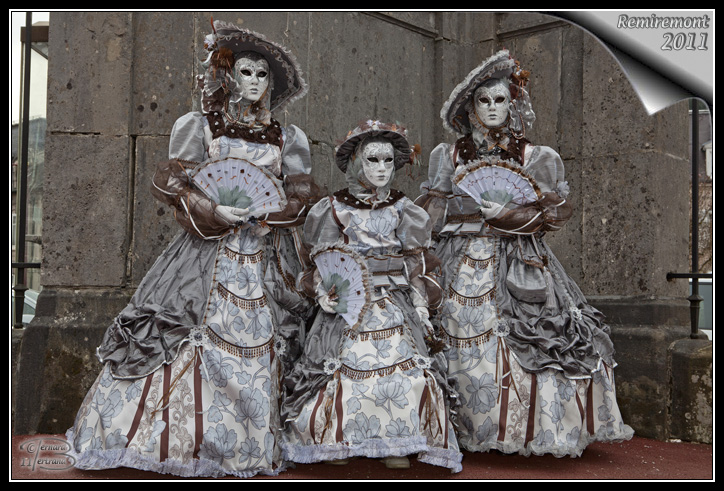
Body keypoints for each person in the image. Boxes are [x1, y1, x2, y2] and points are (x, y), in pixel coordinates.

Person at [65, 20, 322, 478]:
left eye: (263, 74)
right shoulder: (203, 126)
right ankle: (180, 442)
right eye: (245, 72)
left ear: (272, 83)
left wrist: (270, 212)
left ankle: (243, 444)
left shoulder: (288, 138)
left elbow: (301, 193)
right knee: (188, 332)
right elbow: (174, 181)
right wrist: (213, 208)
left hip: (263, 255)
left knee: (262, 341)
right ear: (229, 76)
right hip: (206, 253)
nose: (254, 82)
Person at [416, 50, 634, 457]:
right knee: (449, 326)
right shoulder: (448, 155)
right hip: (457, 254)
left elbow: (554, 211)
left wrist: (510, 214)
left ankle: (518, 428)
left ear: (512, 104)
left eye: (500, 100)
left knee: (530, 332)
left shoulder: (535, 157)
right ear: (471, 108)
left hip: (517, 256)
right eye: (484, 100)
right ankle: (453, 425)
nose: (492, 108)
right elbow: (434, 206)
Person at [281, 120, 463, 473]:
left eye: (388, 161)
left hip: (393, 302)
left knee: (405, 373)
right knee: (340, 371)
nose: (381, 169)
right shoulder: (334, 208)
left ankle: (396, 442)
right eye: (372, 160)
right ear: (355, 163)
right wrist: (322, 293)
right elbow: (321, 259)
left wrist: (421, 305)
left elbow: (415, 260)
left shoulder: (402, 208)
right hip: (349, 306)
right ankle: (337, 438)